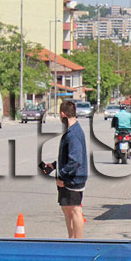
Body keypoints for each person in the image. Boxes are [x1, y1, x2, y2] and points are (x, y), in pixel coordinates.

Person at [44, 100, 89, 238]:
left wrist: (62, 176)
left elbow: (75, 160)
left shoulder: (73, 134)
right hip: (71, 177)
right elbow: (70, 156)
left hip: (73, 179)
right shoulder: (73, 130)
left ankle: (78, 242)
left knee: (75, 210)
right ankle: (71, 239)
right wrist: (54, 165)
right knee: (67, 209)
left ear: (63, 114)